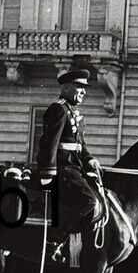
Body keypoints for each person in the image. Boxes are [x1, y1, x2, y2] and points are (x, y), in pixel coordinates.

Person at [36, 68, 104, 253]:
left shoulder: (73, 112)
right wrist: (48, 174)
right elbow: (49, 144)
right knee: (89, 202)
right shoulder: (58, 109)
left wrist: (90, 160)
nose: (83, 91)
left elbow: (80, 145)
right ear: (66, 88)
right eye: (79, 87)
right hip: (64, 169)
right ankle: (56, 239)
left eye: (84, 88)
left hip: (75, 168)